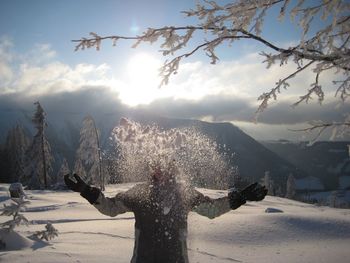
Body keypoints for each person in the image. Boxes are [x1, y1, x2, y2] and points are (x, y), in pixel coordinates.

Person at [64, 165, 267, 263]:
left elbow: (212, 210)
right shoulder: (140, 193)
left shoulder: (184, 194)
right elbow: (110, 208)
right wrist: (87, 192)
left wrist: (240, 198)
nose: (163, 173)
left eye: (168, 168)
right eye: (158, 168)